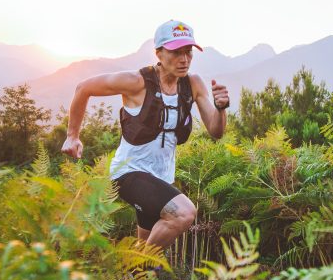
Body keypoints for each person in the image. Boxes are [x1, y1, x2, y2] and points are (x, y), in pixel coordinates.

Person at [60, 20, 230, 251]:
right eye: (176, 52)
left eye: (188, 52)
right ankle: (139, 270)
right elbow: (84, 88)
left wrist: (222, 108)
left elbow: (216, 131)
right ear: (158, 53)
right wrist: (73, 136)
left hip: (161, 177)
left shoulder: (193, 84)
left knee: (143, 246)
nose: (184, 59)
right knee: (184, 214)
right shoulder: (137, 82)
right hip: (129, 172)